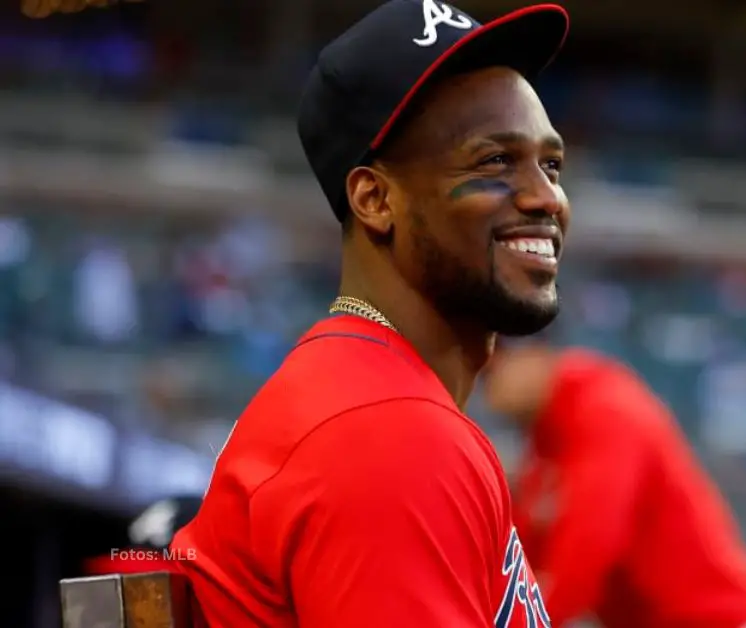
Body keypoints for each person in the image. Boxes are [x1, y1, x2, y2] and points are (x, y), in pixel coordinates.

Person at [169, 1, 571, 625]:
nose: (546, 197)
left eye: (552, 165)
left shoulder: (359, 393)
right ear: (375, 199)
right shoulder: (391, 435)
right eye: (495, 160)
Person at [483, 343, 746, 628]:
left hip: (723, 620)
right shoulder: (544, 438)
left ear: (536, 353)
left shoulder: (606, 409)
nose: (488, 387)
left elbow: (590, 544)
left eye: (495, 367)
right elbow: (524, 556)